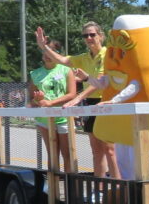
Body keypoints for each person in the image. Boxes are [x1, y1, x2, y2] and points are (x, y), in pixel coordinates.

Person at [37, 23, 116, 179]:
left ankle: (118, 188)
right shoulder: (84, 57)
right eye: (85, 35)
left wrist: (78, 97)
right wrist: (43, 47)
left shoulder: (107, 54)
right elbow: (62, 60)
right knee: (96, 150)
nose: (89, 38)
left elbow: (99, 81)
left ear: (100, 35)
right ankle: (100, 188)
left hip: (105, 102)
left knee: (109, 149)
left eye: (92, 34)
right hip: (90, 104)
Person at [29, 36, 79, 171]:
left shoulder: (66, 70)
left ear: (57, 54)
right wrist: (37, 100)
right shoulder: (35, 73)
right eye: (45, 52)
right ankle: (54, 186)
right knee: (52, 153)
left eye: (51, 51)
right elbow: (31, 100)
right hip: (44, 119)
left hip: (63, 118)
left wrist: (51, 103)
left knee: (68, 153)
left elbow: (72, 94)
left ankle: (70, 186)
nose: (47, 55)